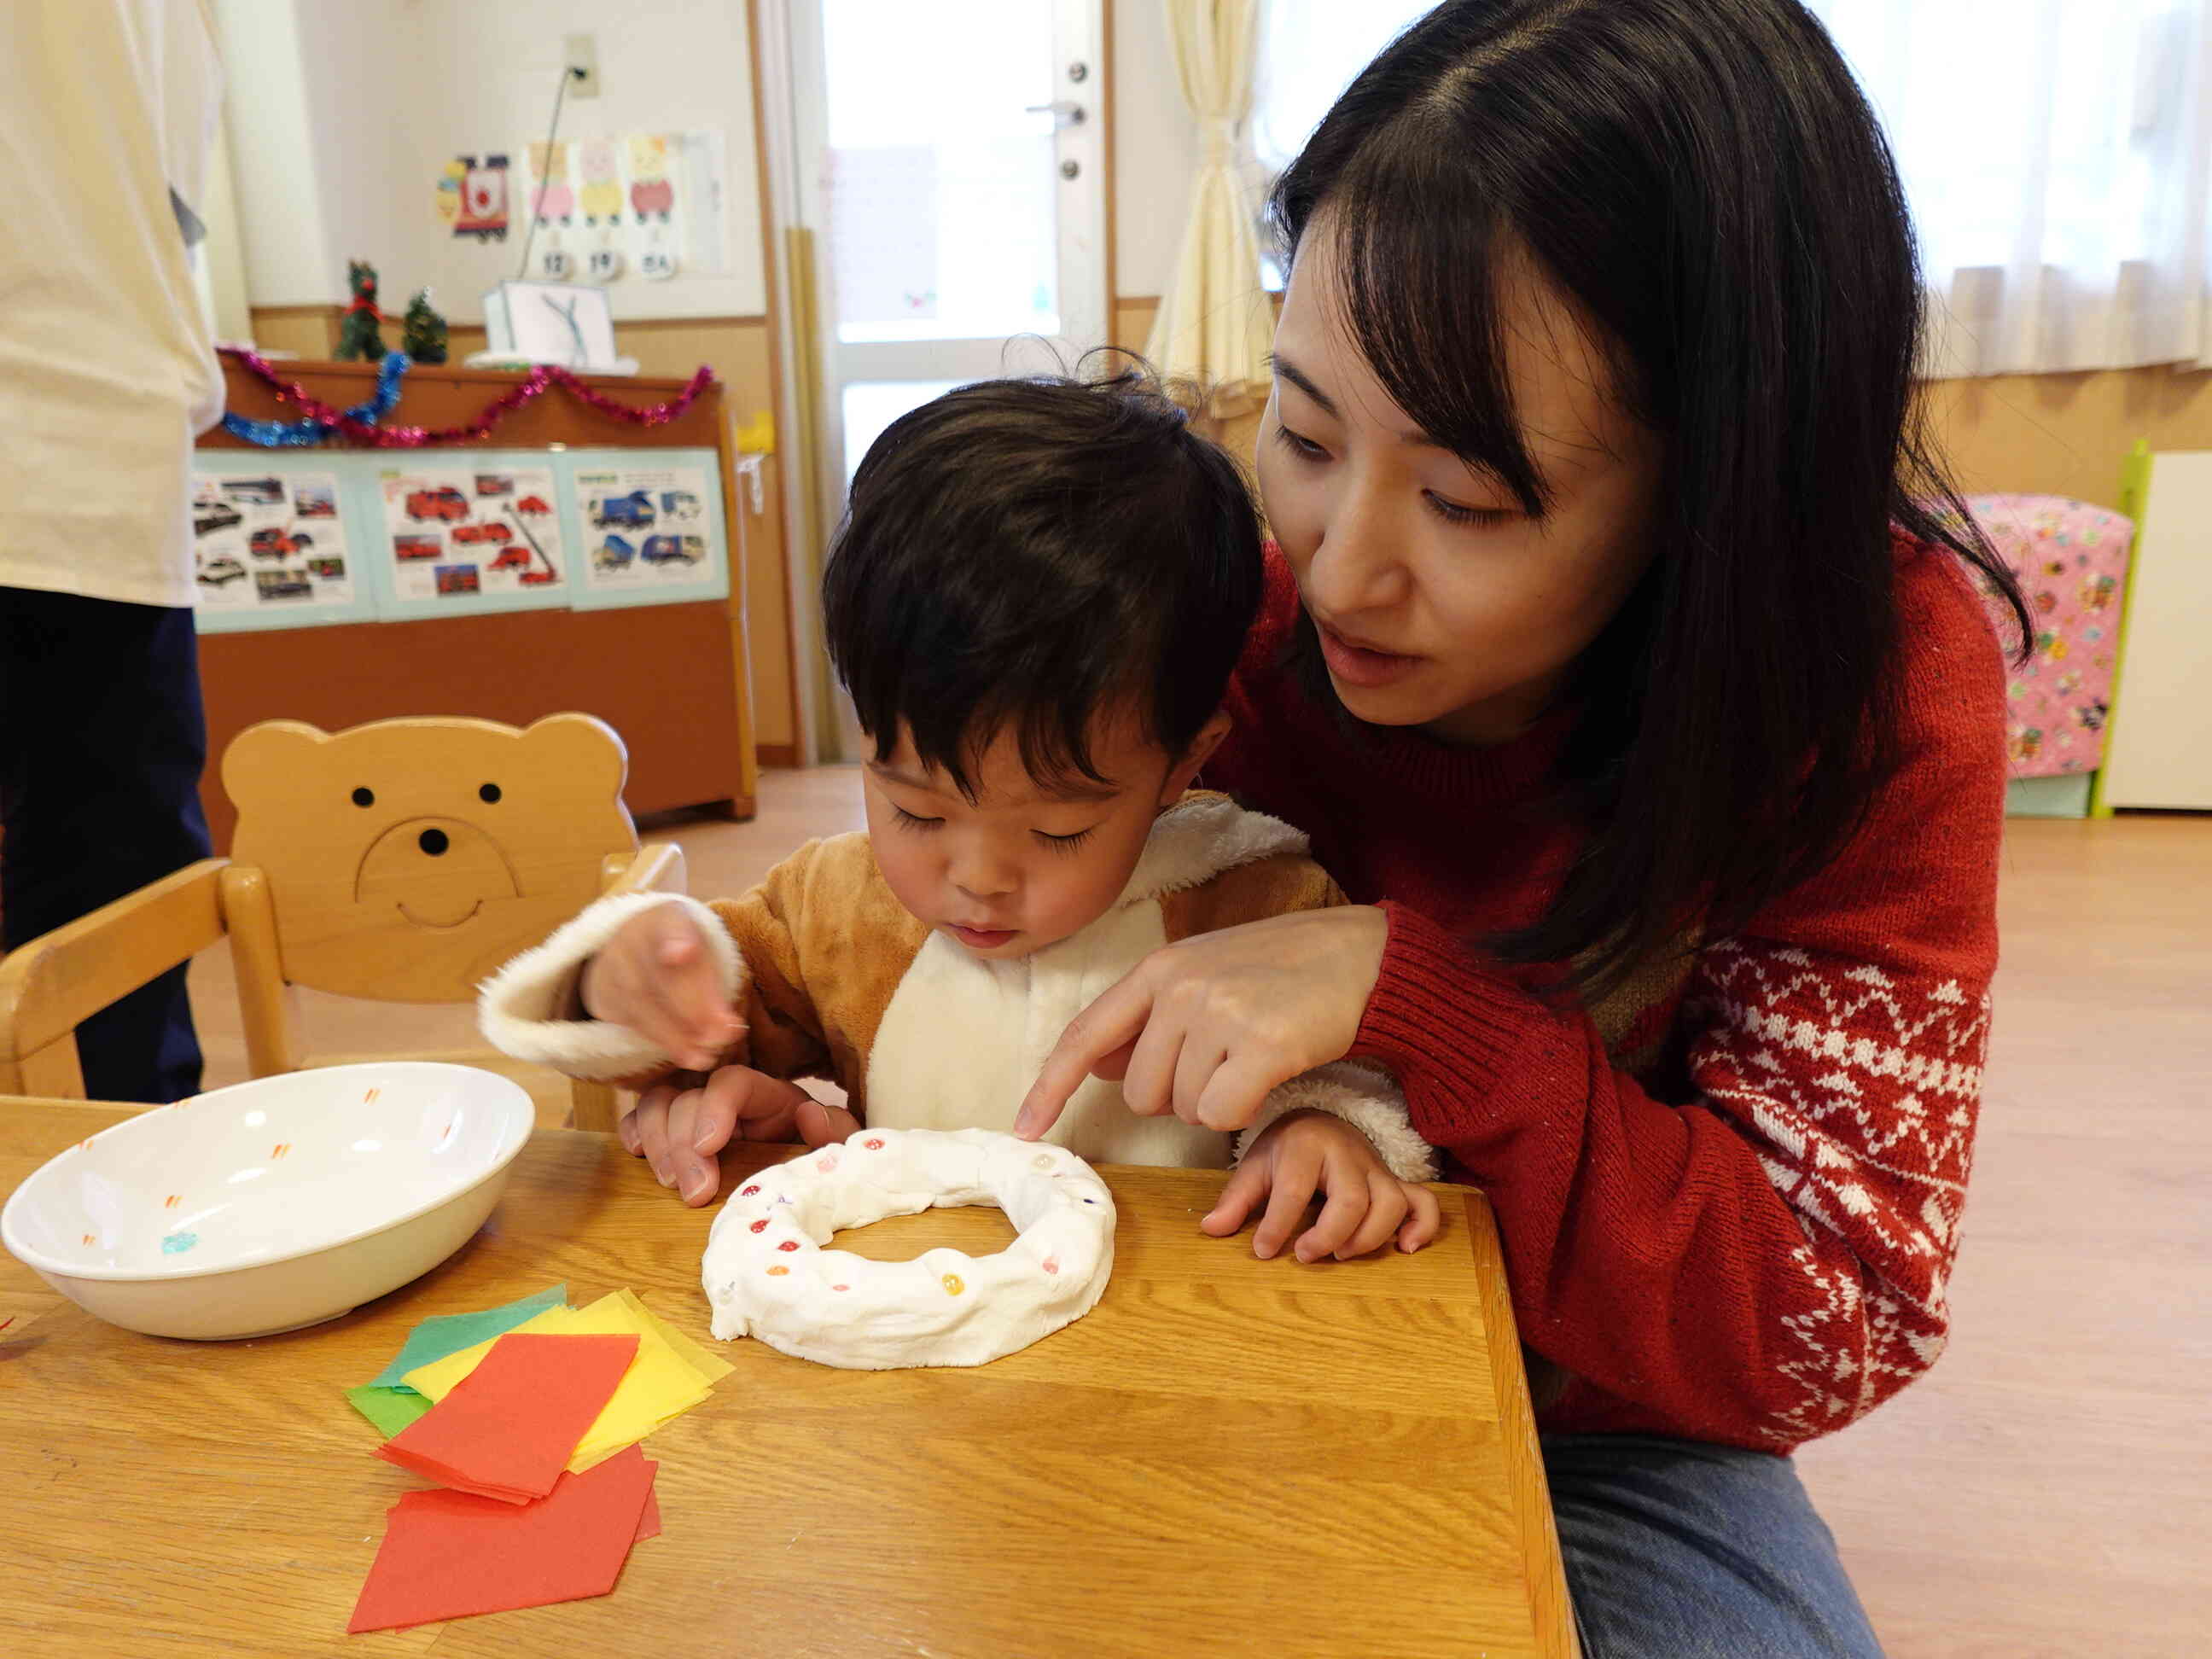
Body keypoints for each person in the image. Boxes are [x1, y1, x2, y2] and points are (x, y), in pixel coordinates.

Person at [1010, 3, 2028, 1653]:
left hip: (1598, 1423)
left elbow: (1824, 1311)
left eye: (1471, 504)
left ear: (1712, 489)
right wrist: (724, 1014)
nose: (1340, 570)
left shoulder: (1863, 683)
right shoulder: (1212, 597)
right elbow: (939, 898)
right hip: (1161, 1286)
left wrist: (1414, 1000)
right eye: (1305, 433)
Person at [479, 371, 1441, 1264]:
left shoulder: (1255, 901)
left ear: (1182, 761)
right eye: (914, 808)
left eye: (1058, 829)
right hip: (904, 1330)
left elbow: (1344, 1074)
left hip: (1150, 1348)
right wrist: (628, 981)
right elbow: (717, 1007)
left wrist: (1322, 1132)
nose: (976, 877)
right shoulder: (836, 905)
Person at [0, 0, 225, 1103]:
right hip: (99, 428)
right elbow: (179, 168)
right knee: (127, 928)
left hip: (97, 442)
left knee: (127, 918)